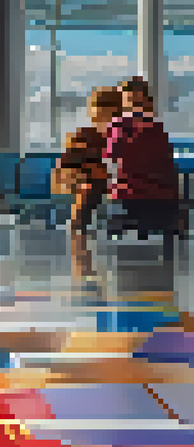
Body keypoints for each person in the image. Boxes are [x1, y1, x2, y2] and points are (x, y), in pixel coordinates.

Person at [103, 76, 184, 298]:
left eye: (135, 100)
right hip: (141, 195)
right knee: (146, 253)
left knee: (137, 252)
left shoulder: (134, 127)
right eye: (130, 100)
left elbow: (116, 158)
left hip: (142, 194)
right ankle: (153, 292)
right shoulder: (140, 127)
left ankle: (147, 292)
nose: (133, 105)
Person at [54, 86, 122, 295]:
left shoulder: (125, 137)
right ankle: (84, 265)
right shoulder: (83, 136)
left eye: (109, 111)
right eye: (99, 110)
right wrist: (85, 174)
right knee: (88, 192)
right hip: (93, 187)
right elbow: (63, 173)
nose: (103, 117)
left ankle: (86, 263)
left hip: (120, 187)